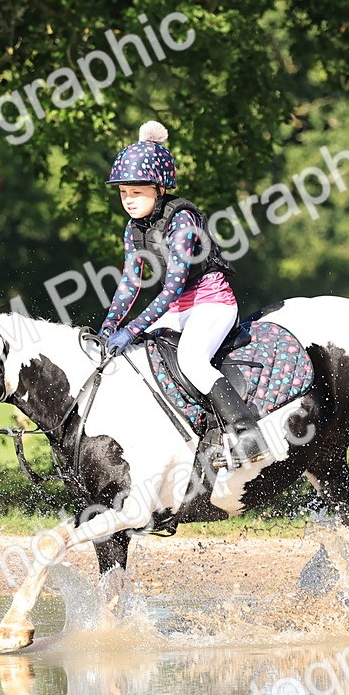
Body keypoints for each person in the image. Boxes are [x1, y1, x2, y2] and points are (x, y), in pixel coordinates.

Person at [99, 120, 267, 464]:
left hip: (212, 302)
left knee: (191, 360)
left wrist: (130, 329)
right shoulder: (134, 229)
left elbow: (173, 286)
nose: (129, 201)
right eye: (123, 193)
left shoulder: (182, 221)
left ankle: (248, 434)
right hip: (178, 308)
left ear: (159, 189)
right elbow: (131, 283)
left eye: (137, 192)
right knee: (137, 359)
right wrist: (107, 329)